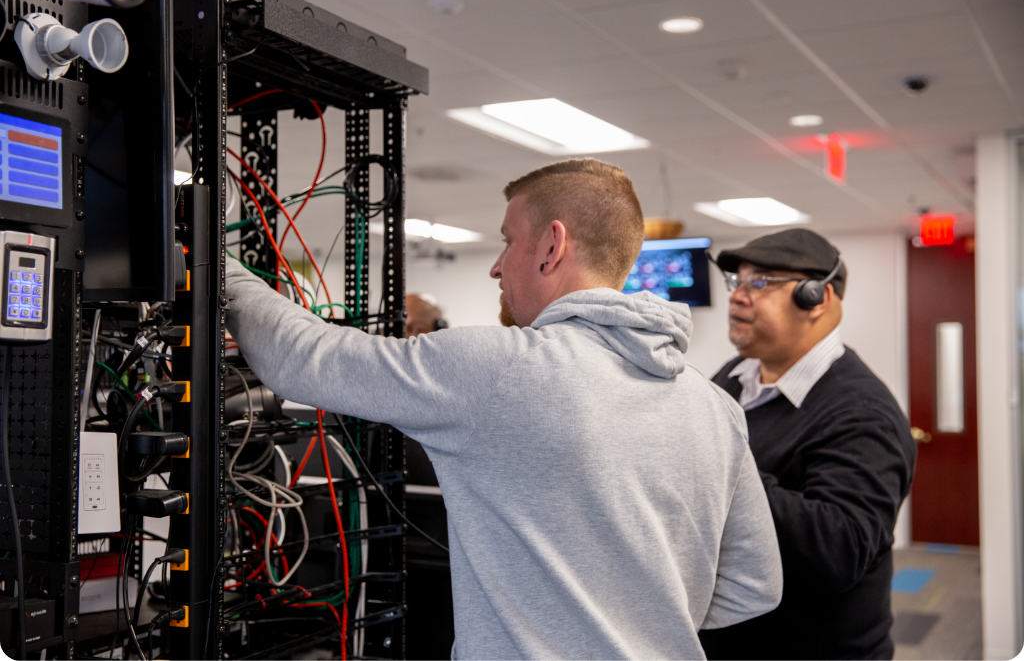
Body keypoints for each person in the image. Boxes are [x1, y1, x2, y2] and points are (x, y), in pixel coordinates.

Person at [226, 158, 782, 661]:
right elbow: (753, 587)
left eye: (506, 241)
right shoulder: (714, 404)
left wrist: (206, 260)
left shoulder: (502, 368)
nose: (495, 267)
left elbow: (305, 356)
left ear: (551, 245)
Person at [698, 229, 916, 661]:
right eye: (735, 282)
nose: (738, 296)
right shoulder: (734, 376)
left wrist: (715, 461)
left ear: (817, 298)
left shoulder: (862, 412)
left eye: (759, 282)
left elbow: (838, 550)